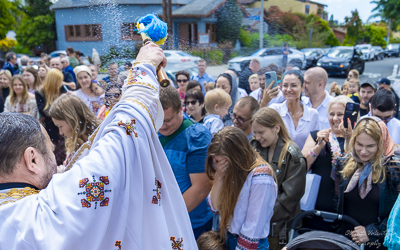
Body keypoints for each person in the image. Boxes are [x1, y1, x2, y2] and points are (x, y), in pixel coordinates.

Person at [0, 43, 198, 249]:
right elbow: (124, 134)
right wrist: (143, 67)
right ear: (32, 159)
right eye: (49, 149)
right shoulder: (49, 212)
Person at [206, 126, 277, 249]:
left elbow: (253, 227)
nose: (222, 165)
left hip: (249, 244)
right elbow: (215, 206)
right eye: (217, 161)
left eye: (225, 162)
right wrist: (218, 177)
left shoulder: (261, 178)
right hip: (227, 237)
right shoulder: (228, 171)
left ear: (237, 157)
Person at [159, 85, 213, 240]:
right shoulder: (154, 129)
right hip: (161, 219)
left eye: (168, 120)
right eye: (158, 120)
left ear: (181, 109)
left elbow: (201, 187)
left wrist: (167, 218)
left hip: (189, 223)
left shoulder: (197, 137)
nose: (162, 125)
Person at [337, 117, 400, 249]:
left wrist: (372, 232)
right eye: (359, 144)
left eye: (370, 146)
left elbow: (397, 216)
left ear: (381, 143)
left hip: (379, 243)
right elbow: (337, 202)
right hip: (346, 240)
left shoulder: (393, 167)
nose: (363, 151)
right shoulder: (345, 162)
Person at [251, 108, 306, 249]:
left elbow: (289, 199)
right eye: (255, 132)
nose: (257, 137)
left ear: (276, 128)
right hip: (254, 226)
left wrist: (259, 215)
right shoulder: (254, 147)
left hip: (278, 229)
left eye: (261, 132)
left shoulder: (292, 156)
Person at [301, 95, 354, 231]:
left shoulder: (358, 140)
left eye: (340, 114)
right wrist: (318, 146)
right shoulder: (316, 136)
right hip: (315, 209)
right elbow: (301, 167)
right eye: (332, 114)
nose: (335, 118)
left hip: (347, 211)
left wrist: (349, 139)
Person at [269, 70, 320, 150]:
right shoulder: (275, 110)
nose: (288, 89)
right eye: (285, 85)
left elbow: (315, 144)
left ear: (302, 87)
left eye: (293, 85)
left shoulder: (313, 114)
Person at [49, 94, 100, 168]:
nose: (61, 132)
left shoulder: (96, 143)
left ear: (72, 121)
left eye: (60, 126)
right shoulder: (76, 142)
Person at [35, 68, 68, 165]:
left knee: (64, 155)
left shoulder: (62, 89)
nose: (61, 83)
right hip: (50, 128)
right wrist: (58, 102)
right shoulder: (40, 93)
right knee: (52, 154)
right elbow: (44, 111)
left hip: (64, 126)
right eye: (59, 80)